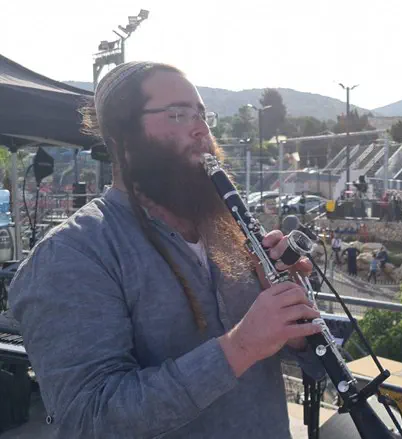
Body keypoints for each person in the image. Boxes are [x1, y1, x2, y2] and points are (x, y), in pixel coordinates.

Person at [7, 62, 325, 439]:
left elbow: (297, 360)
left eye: (203, 116)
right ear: (122, 135)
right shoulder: (70, 255)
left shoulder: (229, 231)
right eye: (177, 114)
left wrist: (297, 330)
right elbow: (89, 420)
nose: (201, 130)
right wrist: (241, 346)